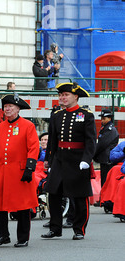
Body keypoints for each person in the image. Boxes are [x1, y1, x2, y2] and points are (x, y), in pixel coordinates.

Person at [42, 82, 96, 240]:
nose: (62, 98)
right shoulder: (57, 115)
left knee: (79, 196)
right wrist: (49, 160)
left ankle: (79, 229)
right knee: (53, 193)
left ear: (75, 96)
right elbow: (52, 140)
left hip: (78, 159)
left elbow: (91, 141)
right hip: (60, 159)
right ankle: (55, 228)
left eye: (65, 95)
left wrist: (86, 159)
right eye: (60, 95)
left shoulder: (86, 114)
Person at [0, 94, 40, 247]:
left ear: (18, 109)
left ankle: (23, 237)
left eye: (11, 106)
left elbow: (33, 148)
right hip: (2, 172)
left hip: (20, 172)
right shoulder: (0, 127)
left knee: (23, 205)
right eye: (5, 107)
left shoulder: (28, 126)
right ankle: (2, 235)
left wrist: (29, 168)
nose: (7, 109)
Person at [93, 109, 119, 188]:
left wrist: (93, 154)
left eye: (104, 118)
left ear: (109, 118)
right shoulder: (105, 128)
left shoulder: (110, 130)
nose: (102, 120)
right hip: (104, 159)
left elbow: (102, 144)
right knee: (104, 181)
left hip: (107, 160)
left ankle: (105, 199)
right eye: (102, 118)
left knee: (106, 182)